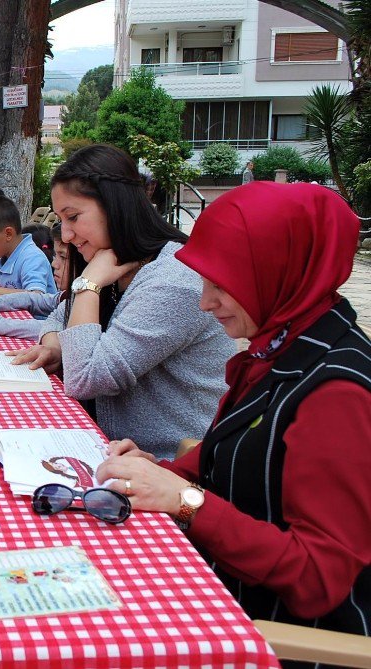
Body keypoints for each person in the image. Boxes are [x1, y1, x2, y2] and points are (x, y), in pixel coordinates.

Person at [95, 182, 370, 639]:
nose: (205, 302)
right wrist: (161, 472)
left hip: (279, 633)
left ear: (279, 270)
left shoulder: (337, 392)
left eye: (223, 283)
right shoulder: (281, 346)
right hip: (223, 586)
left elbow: (318, 578)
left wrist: (186, 502)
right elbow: (230, 452)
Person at [9, 144, 235, 460]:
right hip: (103, 442)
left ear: (115, 206)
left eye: (73, 217)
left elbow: (85, 379)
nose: (69, 235)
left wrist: (87, 285)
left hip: (165, 464)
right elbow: (57, 318)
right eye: (62, 220)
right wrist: (57, 347)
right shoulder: (112, 260)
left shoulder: (172, 279)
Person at [0, 224, 67, 337]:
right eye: (56, 256)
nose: (54, 264)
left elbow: (60, 329)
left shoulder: (33, 257)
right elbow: (35, 299)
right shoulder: (68, 296)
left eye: (63, 257)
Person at [0, 195, 56, 298]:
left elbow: (36, 296)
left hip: (34, 314)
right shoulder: (4, 253)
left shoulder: (32, 258)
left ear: (8, 234)